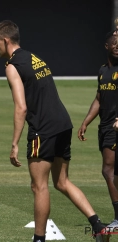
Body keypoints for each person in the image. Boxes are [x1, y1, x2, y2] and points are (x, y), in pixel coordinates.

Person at [0, 20, 108, 242]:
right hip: (63, 123)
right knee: (62, 182)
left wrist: (14, 143)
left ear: (5, 40)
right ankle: (98, 227)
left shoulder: (13, 67)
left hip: (43, 128)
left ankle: (39, 239)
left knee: (38, 186)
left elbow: (21, 107)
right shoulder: (34, 57)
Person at [77, 29, 118, 231]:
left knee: (108, 169)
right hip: (105, 127)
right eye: (115, 44)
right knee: (111, 171)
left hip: (115, 128)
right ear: (106, 47)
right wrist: (86, 122)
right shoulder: (103, 71)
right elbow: (99, 98)